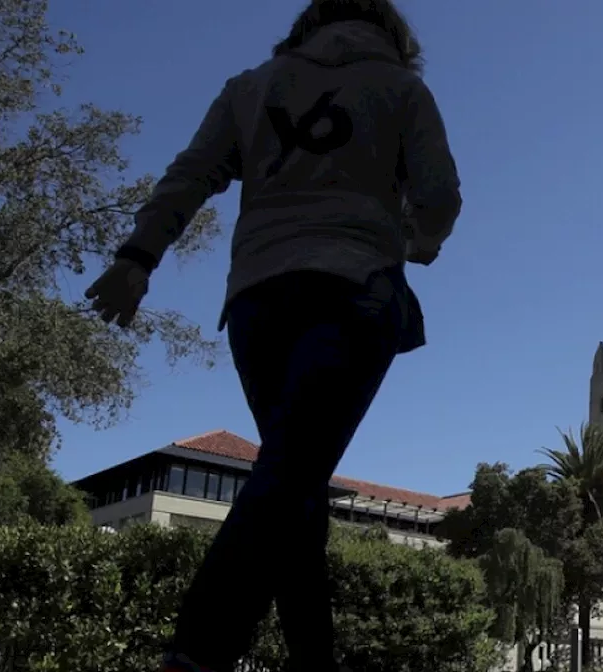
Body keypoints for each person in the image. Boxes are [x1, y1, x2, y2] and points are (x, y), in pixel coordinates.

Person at [83, 0, 462, 670]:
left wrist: (136, 258)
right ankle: (197, 653)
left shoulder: (249, 88)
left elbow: (189, 176)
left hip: (259, 299)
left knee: (297, 483)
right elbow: (440, 196)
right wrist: (413, 239)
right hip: (354, 289)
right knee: (289, 477)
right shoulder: (403, 89)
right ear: (394, 35)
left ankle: (313, 659)